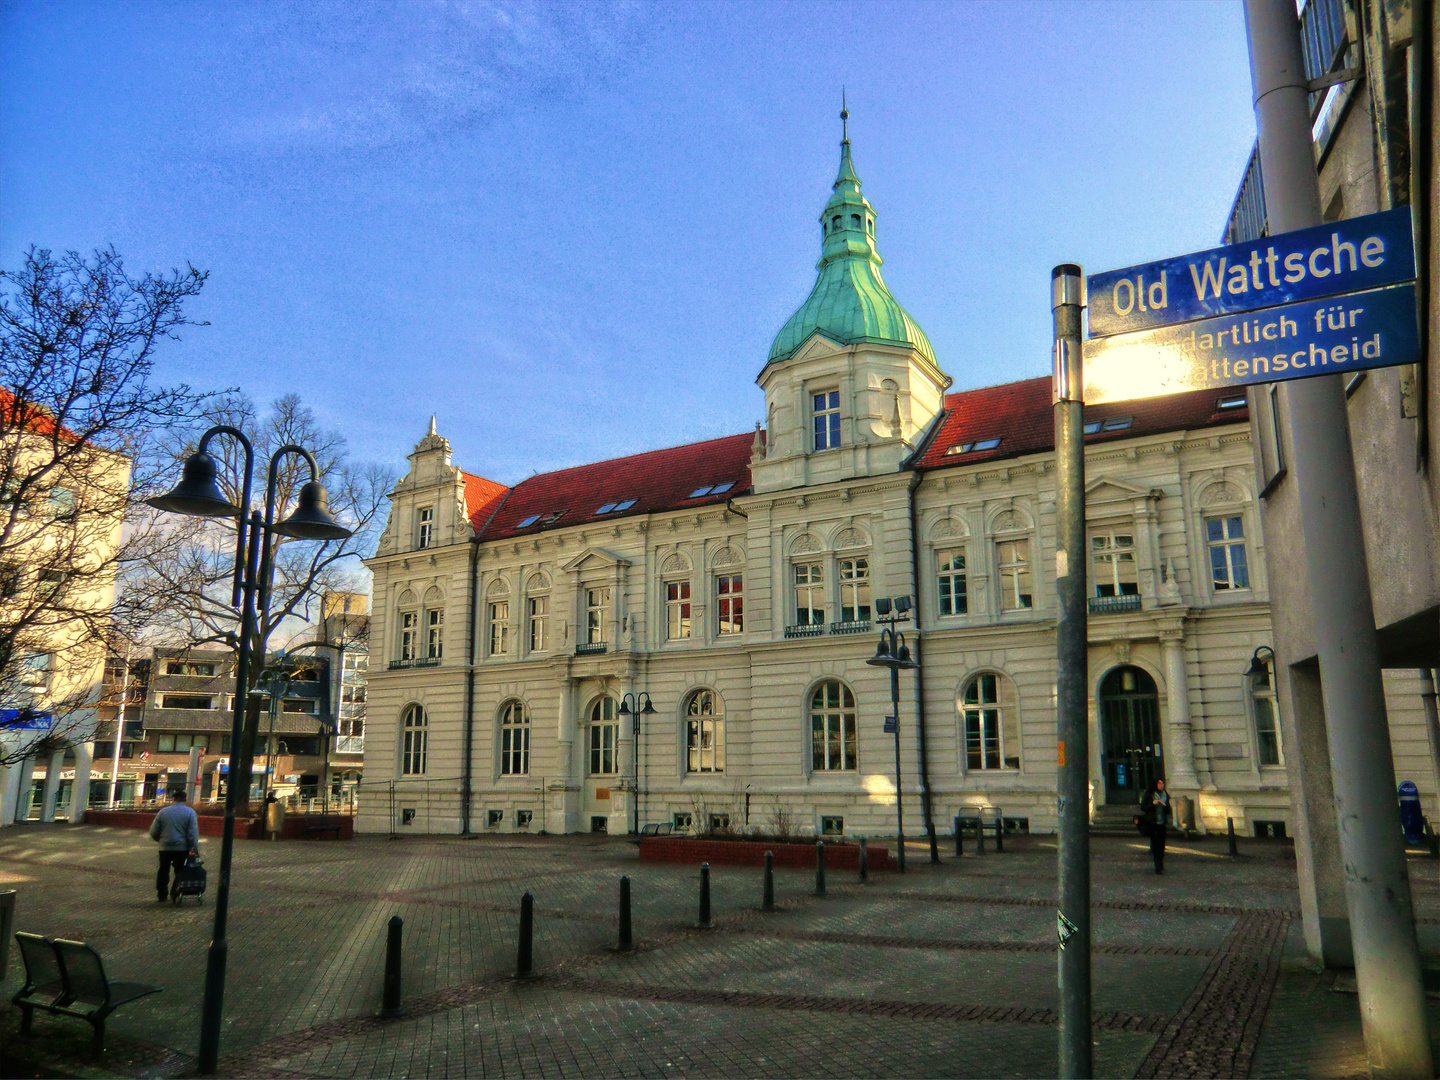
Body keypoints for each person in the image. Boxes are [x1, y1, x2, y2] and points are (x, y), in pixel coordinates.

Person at [149, 788, 199, 902]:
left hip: (165, 847)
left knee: (163, 870)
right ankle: (175, 892)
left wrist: (160, 840)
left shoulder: (163, 812)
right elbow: (192, 833)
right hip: (181, 848)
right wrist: (193, 847)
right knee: (180, 871)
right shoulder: (190, 812)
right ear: (185, 800)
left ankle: (162, 894)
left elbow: (153, 831)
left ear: (173, 799)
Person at [1139, 779, 1170, 874]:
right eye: (1159, 783)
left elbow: (1168, 810)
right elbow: (1143, 807)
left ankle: (1160, 861)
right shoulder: (1149, 794)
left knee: (1161, 845)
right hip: (1152, 822)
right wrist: (1152, 804)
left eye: (1162, 783)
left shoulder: (1165, 795)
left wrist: (1165, 806)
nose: (1161, 785)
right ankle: (1157, 865)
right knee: (1155, 844)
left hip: (1162, 822)